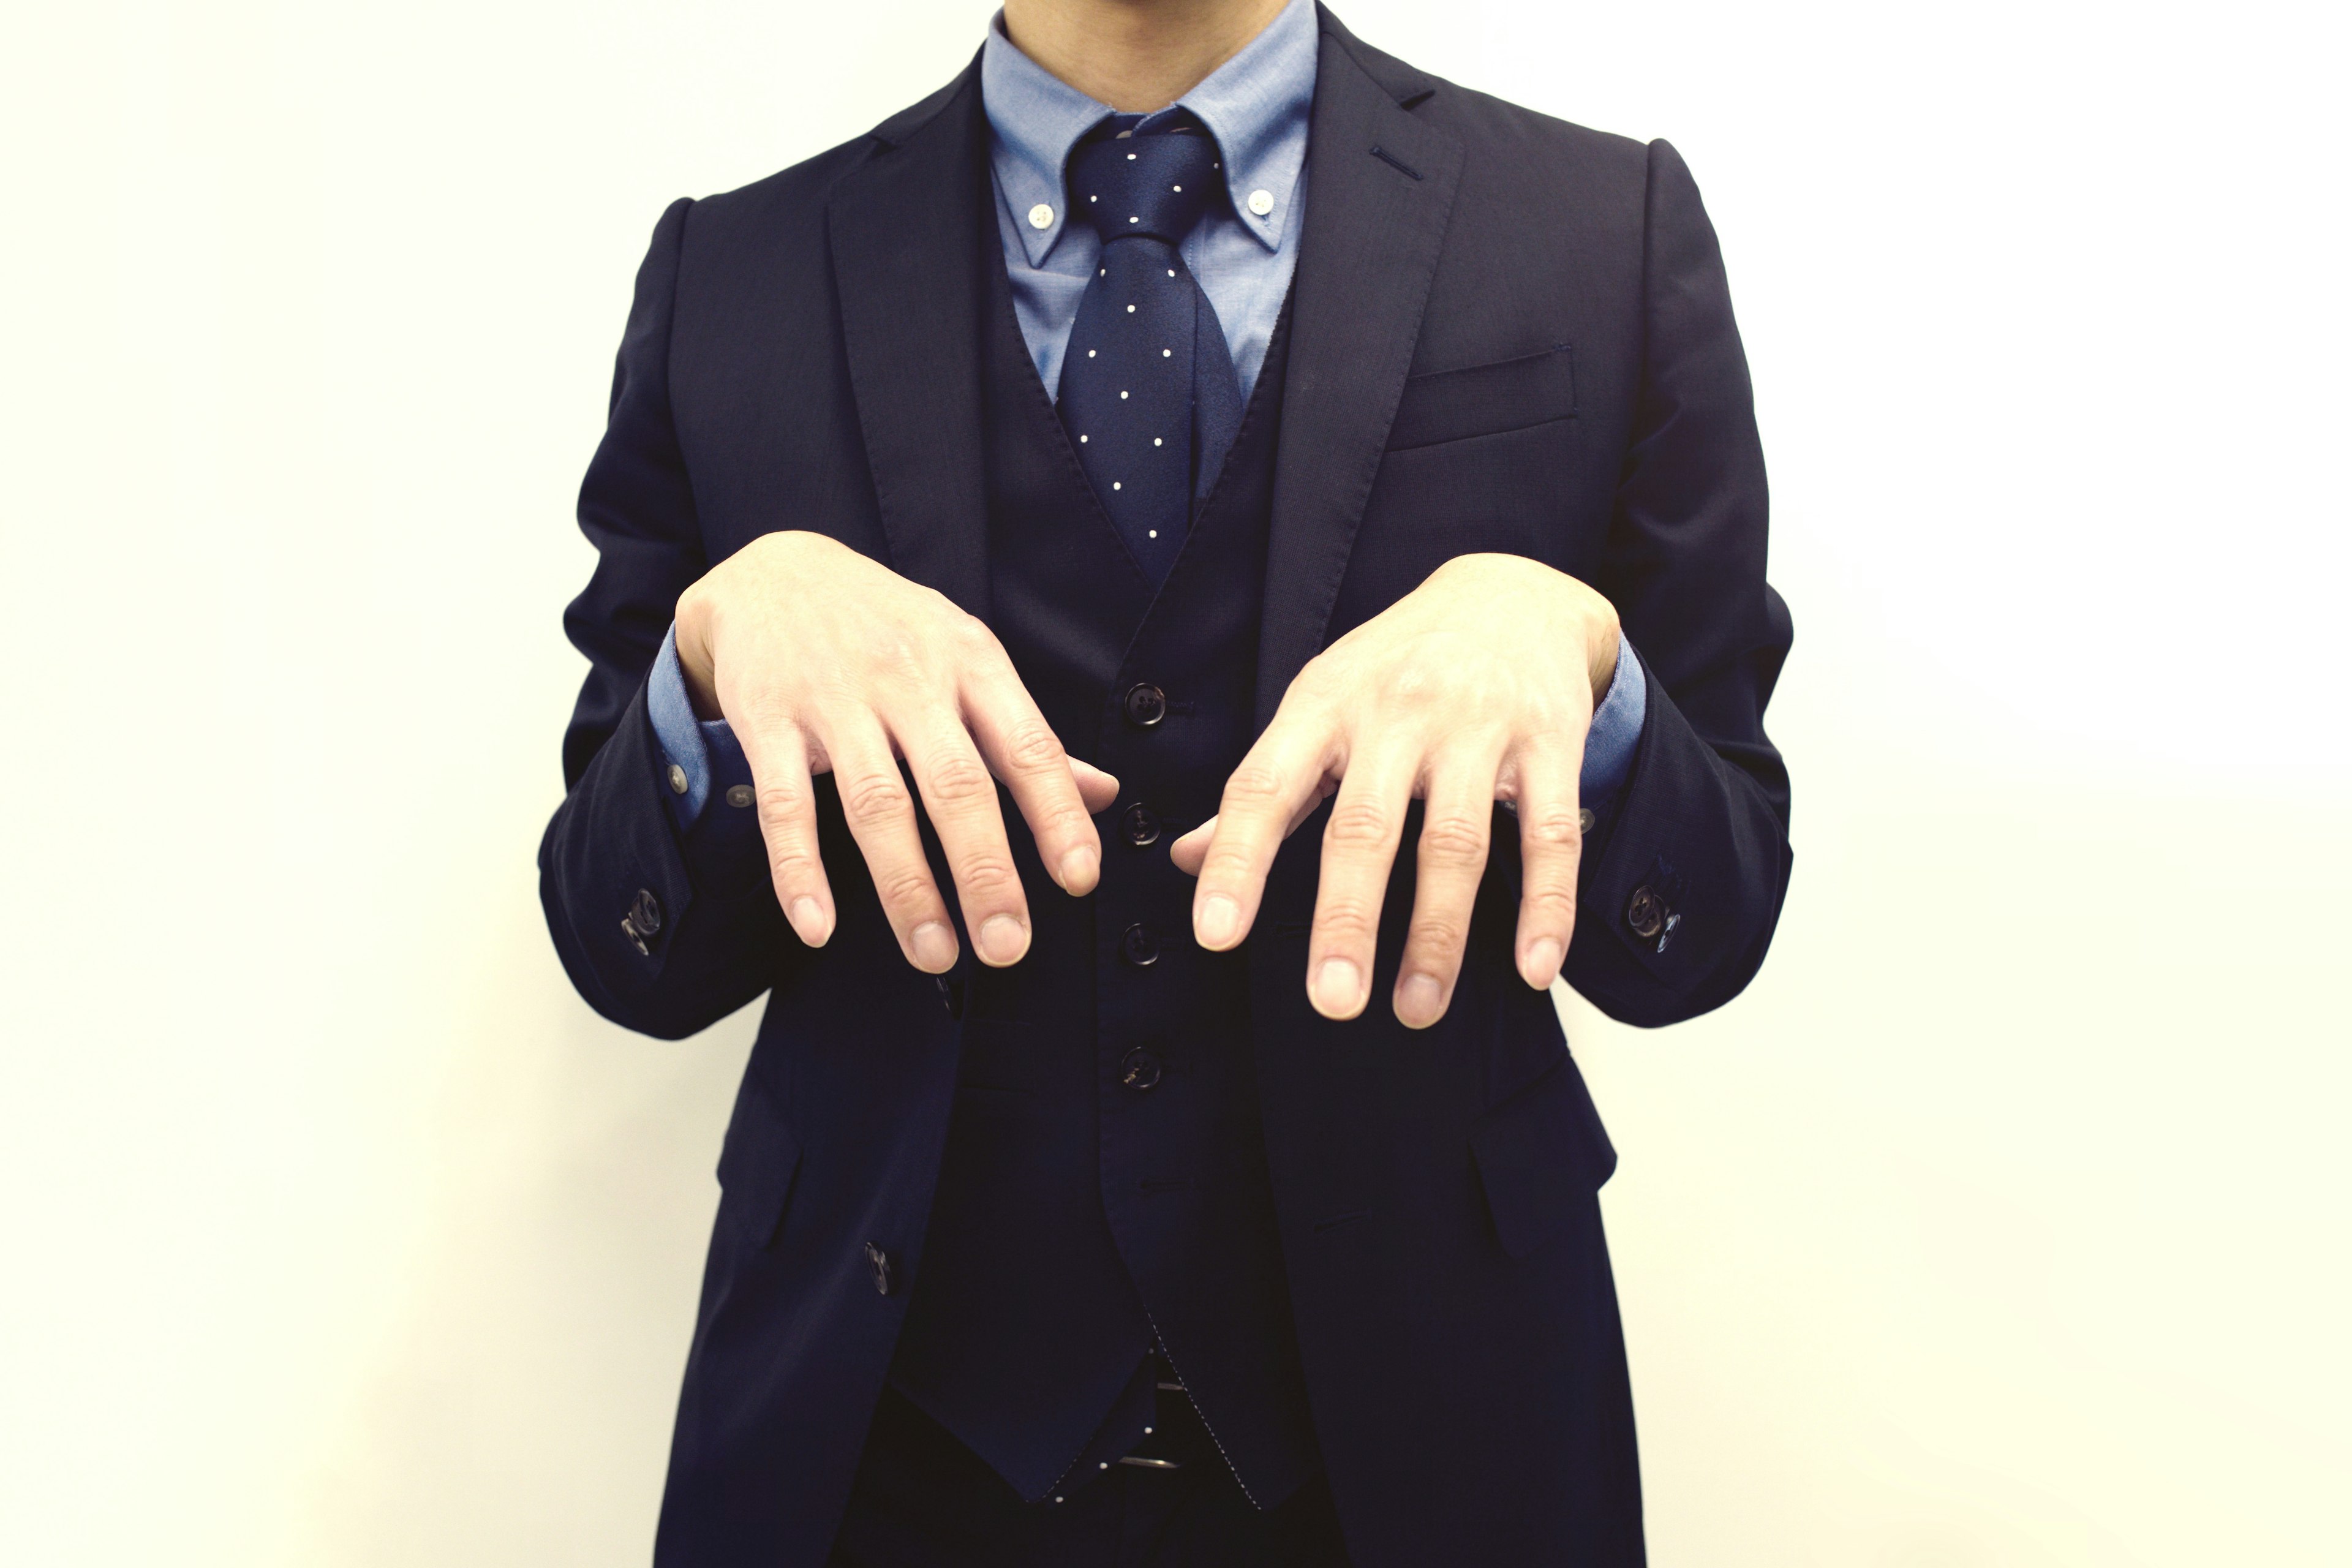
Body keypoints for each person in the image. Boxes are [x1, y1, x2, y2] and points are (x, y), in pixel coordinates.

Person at [540, 0, 1792, 1559]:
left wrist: (1580, 659)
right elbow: (622, 947)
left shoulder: (1604, 234)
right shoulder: (733, 277)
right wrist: (712, 655)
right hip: (874, 1452)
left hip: (1436, 1445)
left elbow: (1712, 917)